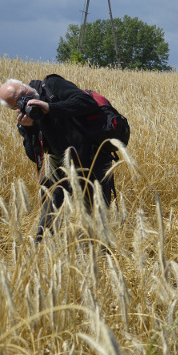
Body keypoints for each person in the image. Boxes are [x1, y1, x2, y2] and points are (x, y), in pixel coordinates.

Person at [0, 74, 117, 242]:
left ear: (25, 84)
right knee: (50, 208)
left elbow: (86, 102)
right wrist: (29, 129)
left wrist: (49, 108)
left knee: (96, 211)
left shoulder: (51, 85)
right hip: (58, 162)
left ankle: (99, 251)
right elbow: (35, 156)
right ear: (14, 108)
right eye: (19, 101)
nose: (26, 98)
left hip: (93, 155)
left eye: (23, 92)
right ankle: (43, 248)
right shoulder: (27, 118)